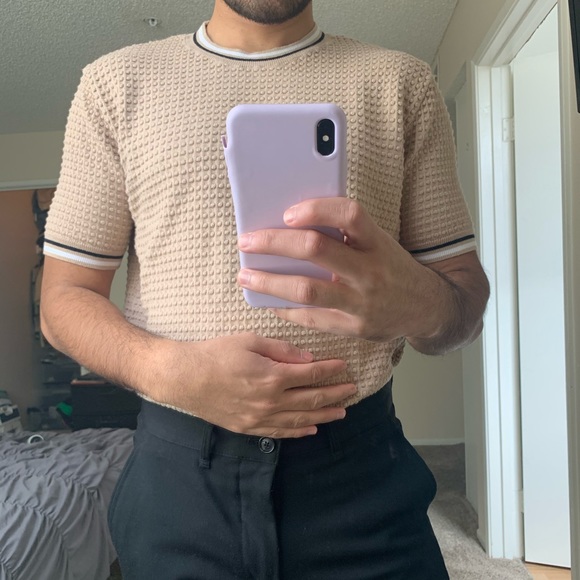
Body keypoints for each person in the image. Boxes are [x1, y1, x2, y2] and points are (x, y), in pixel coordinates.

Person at [40, 1, 490, 578]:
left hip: (361, 475)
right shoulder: (114, 84)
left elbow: (465, 306)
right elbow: (63, 300)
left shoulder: (403, 83)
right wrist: (169, 372)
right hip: (178, 482)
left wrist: (413, 302)